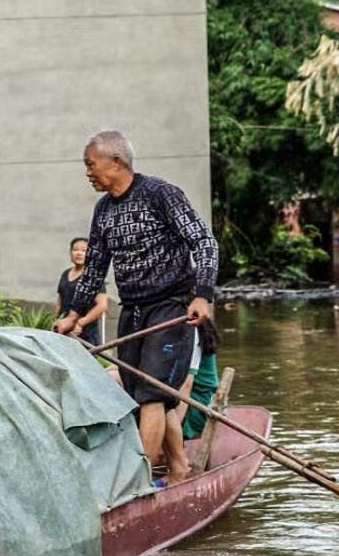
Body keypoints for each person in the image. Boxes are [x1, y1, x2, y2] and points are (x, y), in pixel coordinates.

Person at [53, 130, 219, 485]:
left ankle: (135, 482)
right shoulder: (103, 209)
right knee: (146, 394)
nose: (87, 173)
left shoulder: (160, 193)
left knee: (152, 396)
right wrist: (72, 315)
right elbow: (96, 267)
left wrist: (203, 294)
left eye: (91, 164)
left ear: (116, 162)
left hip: (170, 308)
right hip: (133, 311)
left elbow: (204, 242)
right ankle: (179, 467)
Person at [54, 236, 107, 347]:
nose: (79, 253)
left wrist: (80, 323)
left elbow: (102, 306)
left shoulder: (93, 276)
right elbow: (60, 299)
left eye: (84, 250)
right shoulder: (65, 273)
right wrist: (56, 320)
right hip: (64, 329)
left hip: (86, 332)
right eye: (75, 250)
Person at [179, 318, 221, 439]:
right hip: (198, 398)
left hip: (198, 404)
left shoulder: (192, 332)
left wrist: (174, 427)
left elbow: (186, 386)